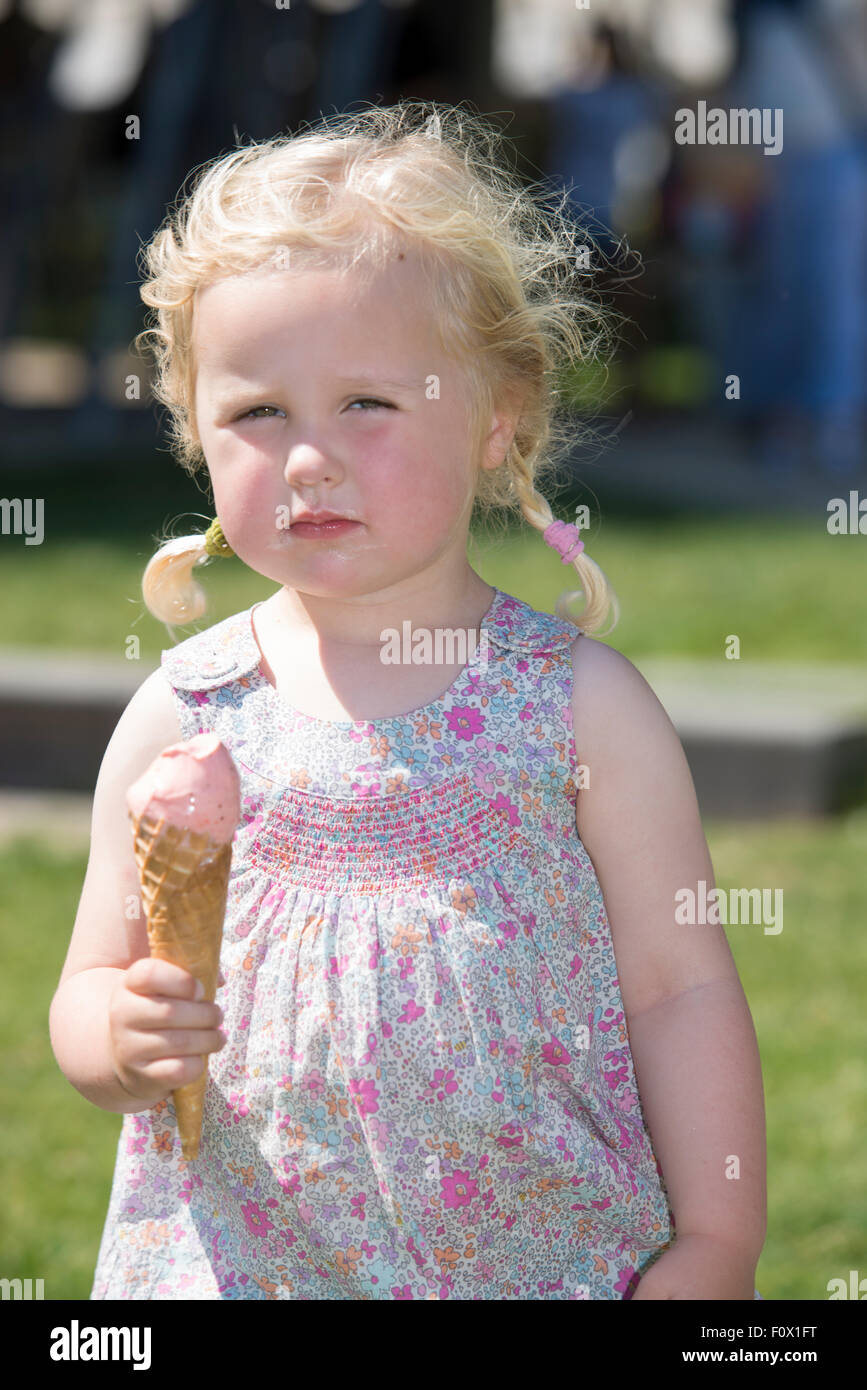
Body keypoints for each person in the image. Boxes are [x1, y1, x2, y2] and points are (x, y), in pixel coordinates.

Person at [49, 101, 766, 1300]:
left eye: (366, 404)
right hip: (238, 1269)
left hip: (536, 1267)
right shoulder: (186, 716)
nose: (309, 457)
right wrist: (114, 1039)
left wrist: (718, 1242)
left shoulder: (581, 710)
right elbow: (89, 984)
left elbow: (678, 986)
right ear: (195, 435)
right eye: (257, 413)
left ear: (501, 418)